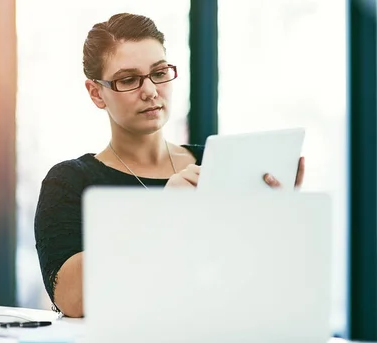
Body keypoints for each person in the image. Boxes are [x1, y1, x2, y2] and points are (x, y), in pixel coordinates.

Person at [33, 13, 305, 318]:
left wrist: (279, 219)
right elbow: (73, 300)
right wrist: (161, 213)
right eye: (128, 79)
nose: (150, 91)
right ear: (97, 93)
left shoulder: (214, 163)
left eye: (159, 73)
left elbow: (258, 285)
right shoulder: (70, 182)